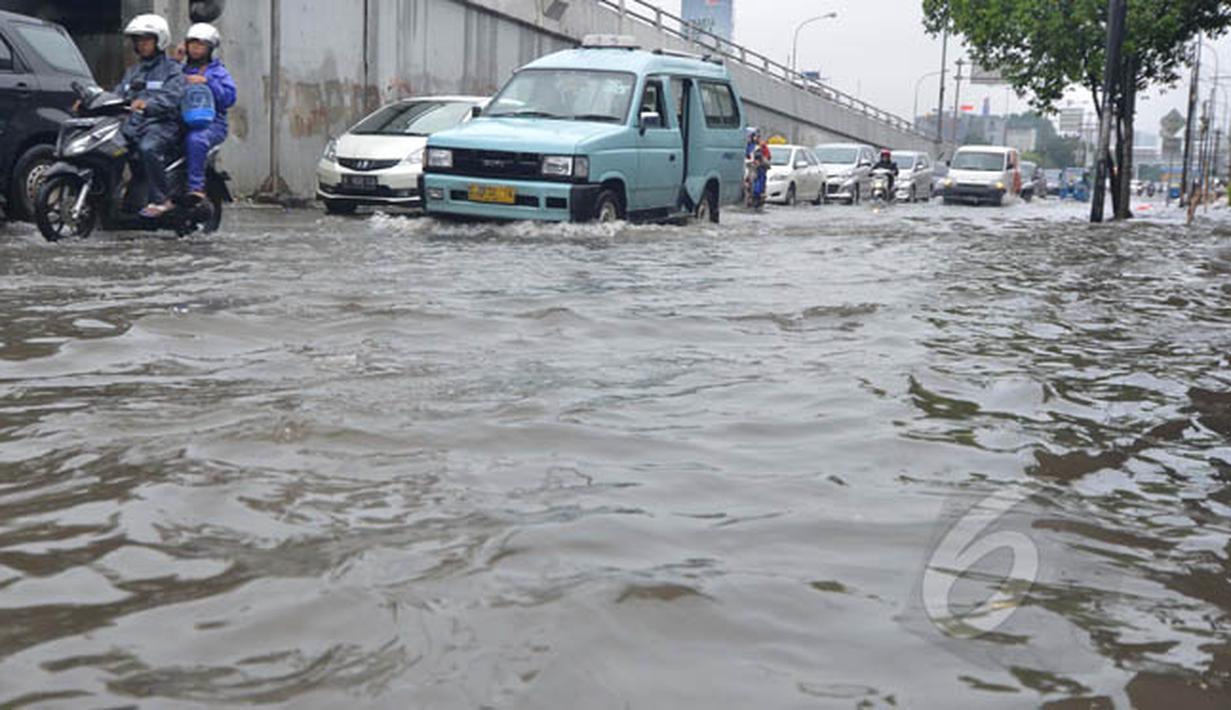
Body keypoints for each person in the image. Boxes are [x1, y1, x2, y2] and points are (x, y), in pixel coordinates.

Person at [114, 14, 186, 219]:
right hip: (133, 125)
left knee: (148, 148)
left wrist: (148, 105)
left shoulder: (173, 70)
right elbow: (118, 94)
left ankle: (161, 200)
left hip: (162, 125)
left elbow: (172, 98)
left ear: (159, 40)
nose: (141, 45)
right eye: (138, 41)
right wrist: (91, 101)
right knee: (110, 148)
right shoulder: (132, 71)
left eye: (146, 40)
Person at [180, 23, 236, 202]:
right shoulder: (179, 70)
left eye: (201, 44)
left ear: (210, 48)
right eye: (192, 43)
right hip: (179, 121)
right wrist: (175, 60)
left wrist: (207, 82)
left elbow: (228, 99)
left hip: (210, 124)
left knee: (196, 139)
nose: (195, 47)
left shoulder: (218, 72)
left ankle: (195, 187)